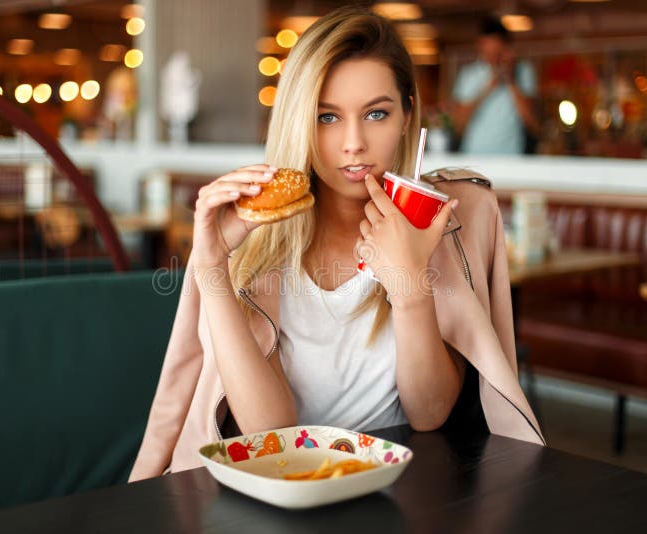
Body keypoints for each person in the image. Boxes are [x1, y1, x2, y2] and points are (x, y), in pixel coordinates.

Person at [129, 6, 544, 481]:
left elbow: (429, 414)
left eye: (376, 113)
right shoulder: (253, 237)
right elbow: (270, 431)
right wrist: (212, 267)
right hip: (278, 490)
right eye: (327, 117)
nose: (353, 143)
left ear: (408, 114)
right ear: (298, 119)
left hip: (401, 487)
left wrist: (410, 287)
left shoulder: (442, 225)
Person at [452, 16, 538, 154]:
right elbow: (458, 124)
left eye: (496, 52)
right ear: (479, 46)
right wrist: (488, 88)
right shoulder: (469, 74)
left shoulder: (523, 71)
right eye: (487, 52)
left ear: (506, 47)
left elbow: (532, 123)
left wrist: (511, 80)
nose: (491, 58)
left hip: (511, 157)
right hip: (473, 155)